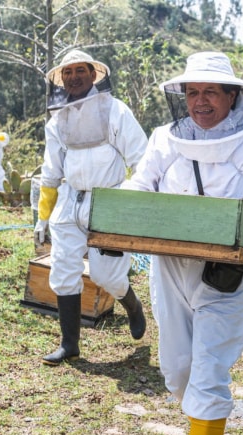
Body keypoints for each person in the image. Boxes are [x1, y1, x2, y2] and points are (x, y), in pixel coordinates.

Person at [122, 51, 243, 435]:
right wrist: (113, 220)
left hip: (227, 273)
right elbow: (140, 185)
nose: (200, 101)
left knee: (208, 368)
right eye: (192, 92)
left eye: (210, 92)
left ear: (233, 96)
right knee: (178, 368)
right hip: (170, 268)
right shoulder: (165, 139)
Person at [33, 50, 149, 366]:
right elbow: (51, 170)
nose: (74, 77)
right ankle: (69, 344)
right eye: (67, 72)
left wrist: (134, 202)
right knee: (63, 270)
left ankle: (132, 304)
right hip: (70, 200)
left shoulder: (115, 111)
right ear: (61, 79)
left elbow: (142, 160)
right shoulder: (58, 119)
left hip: (108, 199)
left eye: (80, 70)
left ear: (93, 74)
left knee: (106, 275)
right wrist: (43, 215)